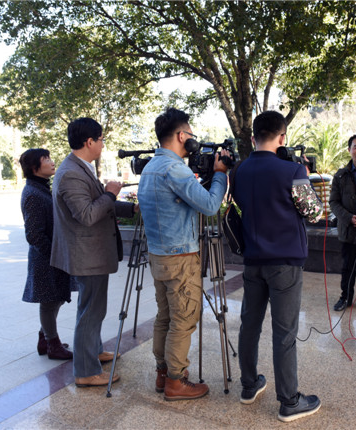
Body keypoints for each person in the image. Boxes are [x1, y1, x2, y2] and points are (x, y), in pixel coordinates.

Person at [233, 111, 323, 423]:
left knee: (250, 324)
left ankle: (249, 385)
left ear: (253, 137)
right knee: (284, 333)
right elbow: (314, 213)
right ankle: (289, 401)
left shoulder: (239, 171)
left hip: (252, 260)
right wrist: (305, 176)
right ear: (282, 137)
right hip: (285, 261)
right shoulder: (292, 170)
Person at [137, 107, 229, 401]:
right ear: (181, 136)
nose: (193, 139)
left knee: (165, 317)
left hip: (159, 256)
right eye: (190, 133)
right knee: (185, 318)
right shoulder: (174, 169)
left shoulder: (151, 167)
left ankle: (163, 373)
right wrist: (220, 174)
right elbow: (210, 206)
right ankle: (176, 382)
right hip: (180, 257)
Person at [51, 117, 136, 387]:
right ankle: (86, 371)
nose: (102, 144)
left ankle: (94, 351)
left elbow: (97, 202)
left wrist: (130, 208)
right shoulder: (71, 173)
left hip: (92, 253)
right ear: (89, 142)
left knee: (92, 308)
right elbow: (87, 214)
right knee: (91, 311)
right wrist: (110, 194)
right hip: (87, 255)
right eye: (101, 139)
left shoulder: (80, 167)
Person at [19, 148, 73, 360]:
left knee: (57, 298)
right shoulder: (33, 194)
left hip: (53, 255)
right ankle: (52, 344)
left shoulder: (40, 188)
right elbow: (33, 234)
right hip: (46, 258)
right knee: (50, 301)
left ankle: (45, 339)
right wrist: (54, 254)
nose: (51, 162)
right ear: (34, 168)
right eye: (46, 159)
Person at [329, 134, 356, 311]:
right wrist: (348, 218)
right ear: (349, 150)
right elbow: (334, 202)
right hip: (348, 230)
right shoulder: (340, 176)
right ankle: (345, 298)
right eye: (355, 147)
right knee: (348, 267)